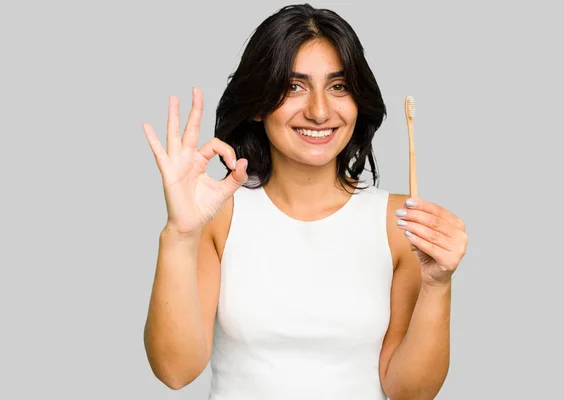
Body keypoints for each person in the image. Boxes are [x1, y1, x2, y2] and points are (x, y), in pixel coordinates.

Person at [142, 4, 468, 400]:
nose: (318, 111)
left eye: (338, 86)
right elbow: (176, 371)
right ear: (260, 103)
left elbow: (410, 392)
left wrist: (437, 284)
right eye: (294, 86)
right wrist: (179, 234)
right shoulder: (219, 216)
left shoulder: (399, 224)